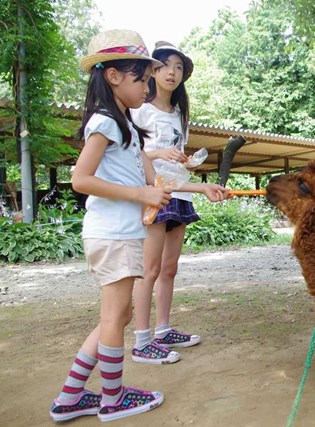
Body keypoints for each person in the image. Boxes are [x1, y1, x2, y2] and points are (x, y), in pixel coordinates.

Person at [49, 30, 227, 422]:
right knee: (116, 318)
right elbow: (81, 179)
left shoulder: (127, 127)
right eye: (141, 78)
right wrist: (141, 197)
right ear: (113, 76)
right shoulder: (106, 122)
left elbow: (158, 183)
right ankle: (112, 398)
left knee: (117, 317)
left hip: (122, 234)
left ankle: (70, 397)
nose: (147, 85)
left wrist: (202, 186)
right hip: (111, 233)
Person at [129, 42, 210, 364]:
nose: (172, 72)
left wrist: (188, 161)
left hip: (180, 191)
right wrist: (158, 153)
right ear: (152, 71)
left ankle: (162, 330)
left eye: (178, 67)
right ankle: (141, 340)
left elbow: (175, 155)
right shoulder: (138, 109)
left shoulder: (179, 113)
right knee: (148, 269)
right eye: (164, 66)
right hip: (153, 193)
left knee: (169, 268)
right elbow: (130, 154)